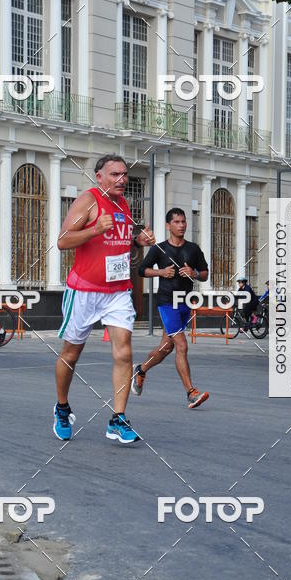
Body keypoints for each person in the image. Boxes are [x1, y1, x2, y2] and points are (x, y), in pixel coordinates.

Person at [54, 155, 155, 443]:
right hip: (84, 290)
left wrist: (138, 242)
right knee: (71, 353)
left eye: (124, 174)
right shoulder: (88, 200)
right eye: (115, 174)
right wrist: (95, 228)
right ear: (99, 177)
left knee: (124, 352)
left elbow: (119, 245)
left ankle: (118, 419)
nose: (122, 179)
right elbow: (62, 240)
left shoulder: (123, 204)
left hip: (118, 291)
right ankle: (62, 407)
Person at [131, 208, 210, 408]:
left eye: (183, 221)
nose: (181, 225)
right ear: (168, 225)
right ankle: (191, 393)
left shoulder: (193, 249)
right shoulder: (160, 249)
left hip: (185, 301)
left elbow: (205, 274)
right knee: (181, 346)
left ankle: (140, 370)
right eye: (176, 222)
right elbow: (142, 270)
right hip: (167, 302)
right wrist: (161, 272)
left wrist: (193, 273)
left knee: (167, 347)